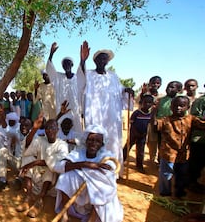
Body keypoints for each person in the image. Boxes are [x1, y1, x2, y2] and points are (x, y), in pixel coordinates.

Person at [79, 42, 134, 176]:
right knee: (94, 140)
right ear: (95, 60)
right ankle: (93, 168)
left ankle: (113, 170)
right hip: (94, 115)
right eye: (100, 58)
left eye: (105, 58)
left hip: (111, 117)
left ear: (107, 61)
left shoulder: (113, 76)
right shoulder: (88, 74)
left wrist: (127, 90)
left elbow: (120, 90)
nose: (102, 60)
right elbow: (79, 81)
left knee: (112, 141)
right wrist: (82, 60)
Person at [54, 124, 123, 222]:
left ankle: (92, 217)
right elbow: (60, 166)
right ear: (85, 141)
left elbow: (109, 173)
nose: (93, 143)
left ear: (102, 144)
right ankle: (65, 213)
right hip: (78, 190)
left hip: (94, 195)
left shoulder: (106, 156)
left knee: (101, 184)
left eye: (98, 141)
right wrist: (87, 165)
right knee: (64, 177)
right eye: (91, 140)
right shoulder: (78, 152)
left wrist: (83, 170)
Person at [16, 118, 69, 218]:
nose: (49, 130)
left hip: (50, 183)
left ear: (57, 129)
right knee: (27, 157)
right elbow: (27, 146)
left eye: (52, 127)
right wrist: (35, 129)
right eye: (47, 128)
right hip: (37, 175)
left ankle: (39, 201)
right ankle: (29, 196)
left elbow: (54, 162)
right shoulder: (41, 140)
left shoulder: (62, 145)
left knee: (50, 167)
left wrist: (33, 163)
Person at [156, 96, 205, 198]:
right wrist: (154, 111)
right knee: (166, 174)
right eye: (175, 106)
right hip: (168, 153)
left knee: (182, 174)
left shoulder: (191, 119)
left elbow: (202, 125)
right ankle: (165, 192)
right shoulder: (165, 120)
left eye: (182, 106)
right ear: (171, 107)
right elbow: (155, 125)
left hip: (184, 153)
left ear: (187, 107)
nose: (178, 108)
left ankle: (180, 192)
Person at [46, 42, 85, 134]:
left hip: (75, 111)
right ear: (62, 66)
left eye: (69, 63)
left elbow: (83, 92)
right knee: (60, 131)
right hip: (61, 110)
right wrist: (51, 54)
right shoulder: (58, 77)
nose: (66, 65)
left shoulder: (77, 78)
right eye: (64, 64)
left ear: (72, 65)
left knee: (77, 132)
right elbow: (49, 69)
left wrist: (82, 60)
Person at [123, 94, 154, 173]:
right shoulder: (136, 113)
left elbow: (150, 124)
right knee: (127, 148)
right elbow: (132, 124)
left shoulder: (150, 114)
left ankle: (139, 166)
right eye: (145, 102)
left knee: (140, 151)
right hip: (133, 134)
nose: (147, 104)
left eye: (150, 103)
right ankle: (121, 161)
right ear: (141, 103)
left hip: (143, 135)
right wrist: (134, 132)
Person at [141, 76, 164, 164]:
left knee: (156, 141)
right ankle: (147, 159)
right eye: (153, 83)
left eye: (157, 83)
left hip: (155, 123)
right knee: (146, 141)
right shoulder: (144, 95)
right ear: (150, 83)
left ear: (160, 84)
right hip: (143, 121)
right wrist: (143, 93)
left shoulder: (161, 97)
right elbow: (138, 104)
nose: (155, 85)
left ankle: (157, 160)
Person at [188, 91, 205, 193]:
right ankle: (191, 183)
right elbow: (194, 119)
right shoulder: (200, 101)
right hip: (199, 138)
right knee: (195, 163)